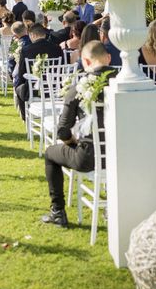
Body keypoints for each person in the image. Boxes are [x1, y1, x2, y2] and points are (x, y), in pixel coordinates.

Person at [42, 41, 117, 227]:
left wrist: (72, 141)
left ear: (85, 61)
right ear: (108, 58)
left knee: (50, 153)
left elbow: (62, 130)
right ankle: (113, 208)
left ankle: (57, 211)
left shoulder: (79, 87)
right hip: (124, 156)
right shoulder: (124, 83)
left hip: (90, 157)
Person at [14, 24, 62, 120]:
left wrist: (19, 85)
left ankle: (25, 118)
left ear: (33, 35)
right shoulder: (57, 48)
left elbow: (21, 73)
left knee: (18, 88)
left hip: (33, 89)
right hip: (54, 88)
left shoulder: (26, 50)